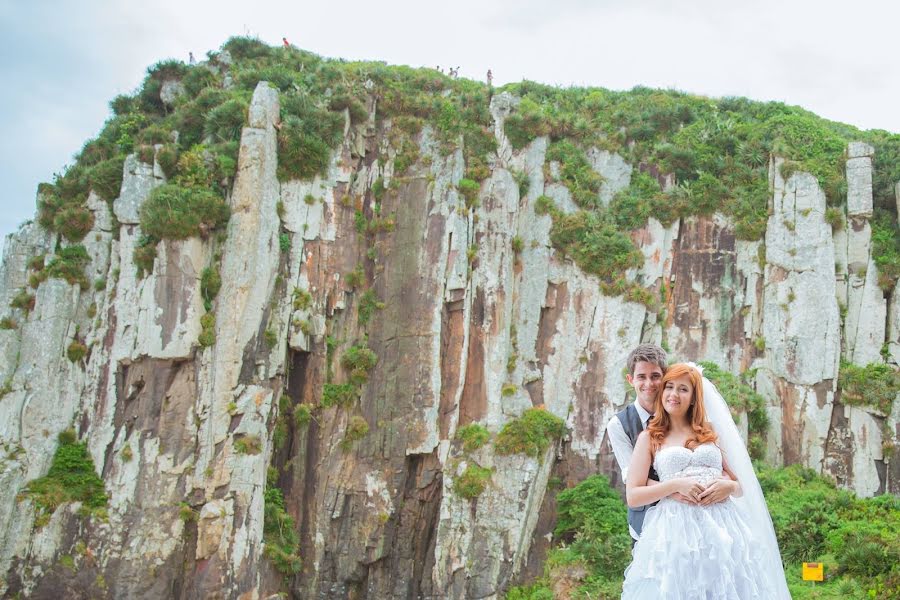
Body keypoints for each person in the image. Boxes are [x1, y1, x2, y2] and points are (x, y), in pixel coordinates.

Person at [621, 363, 790, 599]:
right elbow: (634, 494)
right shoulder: (650, 437)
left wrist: (729, 486)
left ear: (693, 398)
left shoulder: (709, 432)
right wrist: (675, 485)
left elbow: (740, 486)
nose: (674, 394)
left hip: (723, 528)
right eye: (669, 387)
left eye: (683, 389)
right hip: (676, 530)